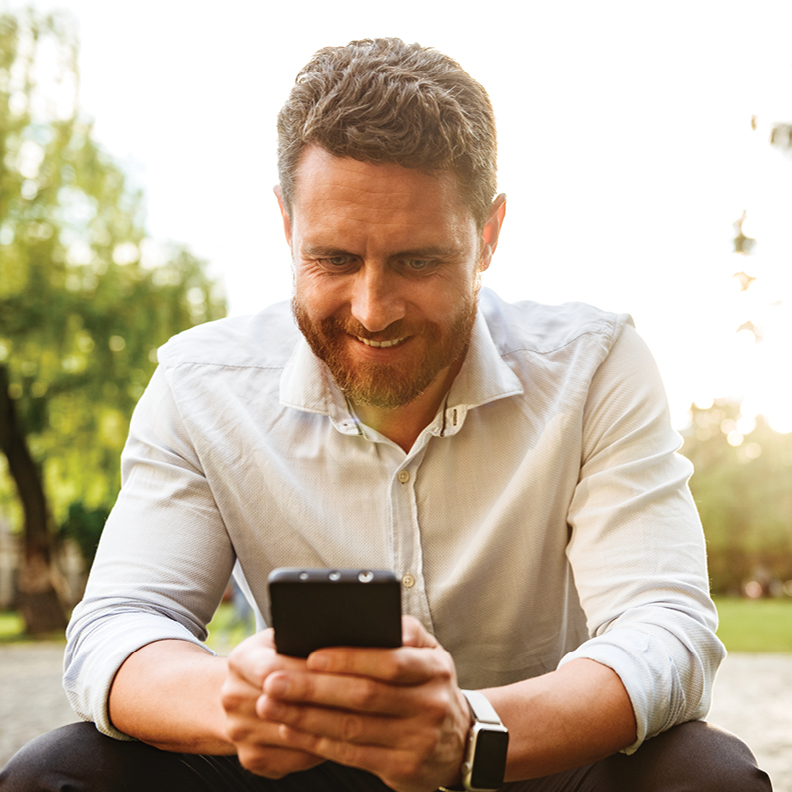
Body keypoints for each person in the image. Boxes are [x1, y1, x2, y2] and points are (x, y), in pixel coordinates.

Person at [0, 38, 771, 792]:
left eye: (418, 261)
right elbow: (120, 626)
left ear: (489, 235)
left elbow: (664, 627)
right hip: (294, 765)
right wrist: (239, 704)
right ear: (285, 226)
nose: (372, 310)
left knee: (707, 776)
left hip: (522, 760)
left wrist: (470, 737)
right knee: (54, 774)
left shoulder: (597, 365)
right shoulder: (200, 384)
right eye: (334, 259)